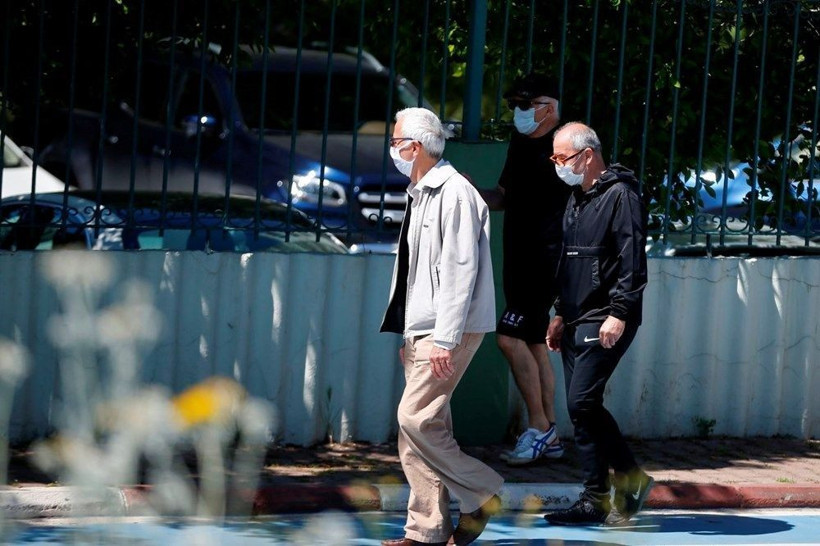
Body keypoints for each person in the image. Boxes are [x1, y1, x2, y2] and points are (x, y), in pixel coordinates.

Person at [380, 107, 503, 546]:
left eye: (395, 142)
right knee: (424, 427)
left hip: (445, 330)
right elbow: (416, 273)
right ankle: (426, 530)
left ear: (414, 146)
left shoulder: (453, 194)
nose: (392, 149)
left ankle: (483, 490)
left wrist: (444, 339)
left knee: (414, 418)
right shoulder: (422, 191)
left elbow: (459, 271)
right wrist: (410, 334)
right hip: (423, 329)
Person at [542, 122, 654, 526]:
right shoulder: (577, 197)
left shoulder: (621, 196)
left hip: (605, 315)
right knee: (582, 410)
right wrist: (559, 312)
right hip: (574, 315)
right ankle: (594, 497)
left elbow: (631, 263)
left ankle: (631, 478)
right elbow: (568, 263)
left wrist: (619, 312)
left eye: (562, 157)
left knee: (581, 402)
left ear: (587, 155)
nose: (557, 165)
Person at [476, 72, 571, 466]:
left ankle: (537, 427)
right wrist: (468, 192)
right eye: (514, 104)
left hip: (546, 259)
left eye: (526, 104)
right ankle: (549, 431)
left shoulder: (568, 143)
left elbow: (584, 201)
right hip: (517, 253)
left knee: (508, 338)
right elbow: (503, 196)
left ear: (550, 107)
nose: (519, 112)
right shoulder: (520, 142)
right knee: (533, 343)